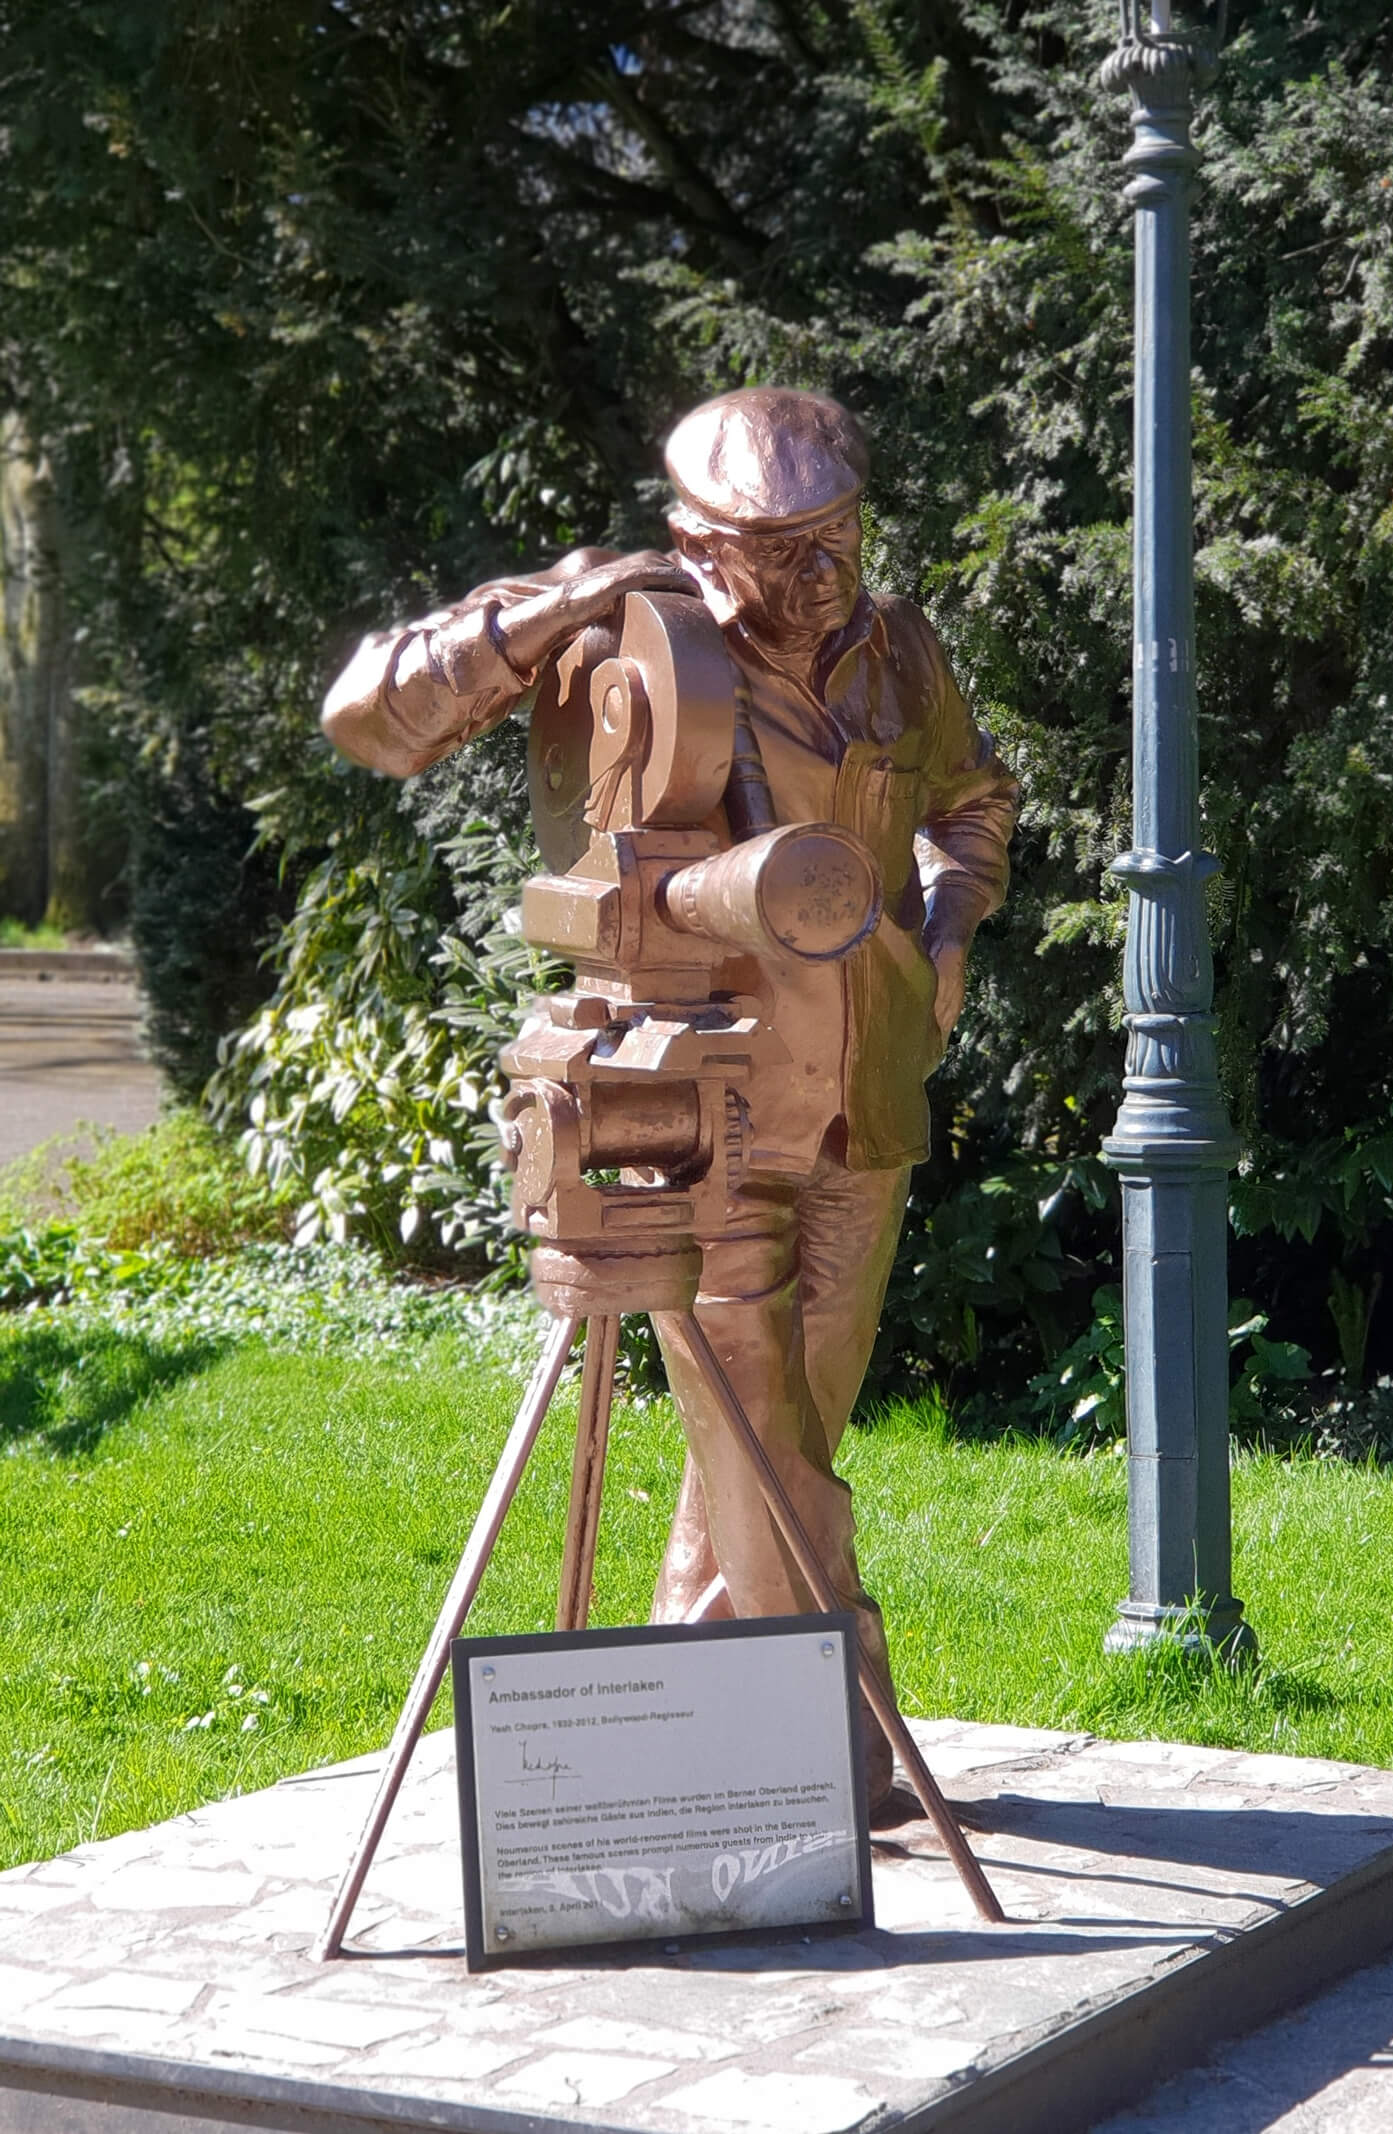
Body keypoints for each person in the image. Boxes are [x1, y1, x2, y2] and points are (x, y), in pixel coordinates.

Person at [322, 387, 1017, 1813]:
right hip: (702, 1105)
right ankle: (845, 1734)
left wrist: (944, 940)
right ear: (698, 538)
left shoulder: (898, 652)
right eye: (786, 551)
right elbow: (365, 716)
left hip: (866, 1101)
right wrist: (549, 605)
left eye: (839, 539)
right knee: (761, 1425)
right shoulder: (622, 633)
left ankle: (690, 1719)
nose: (825, 577)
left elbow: (975, 804)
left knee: (774, 1437)